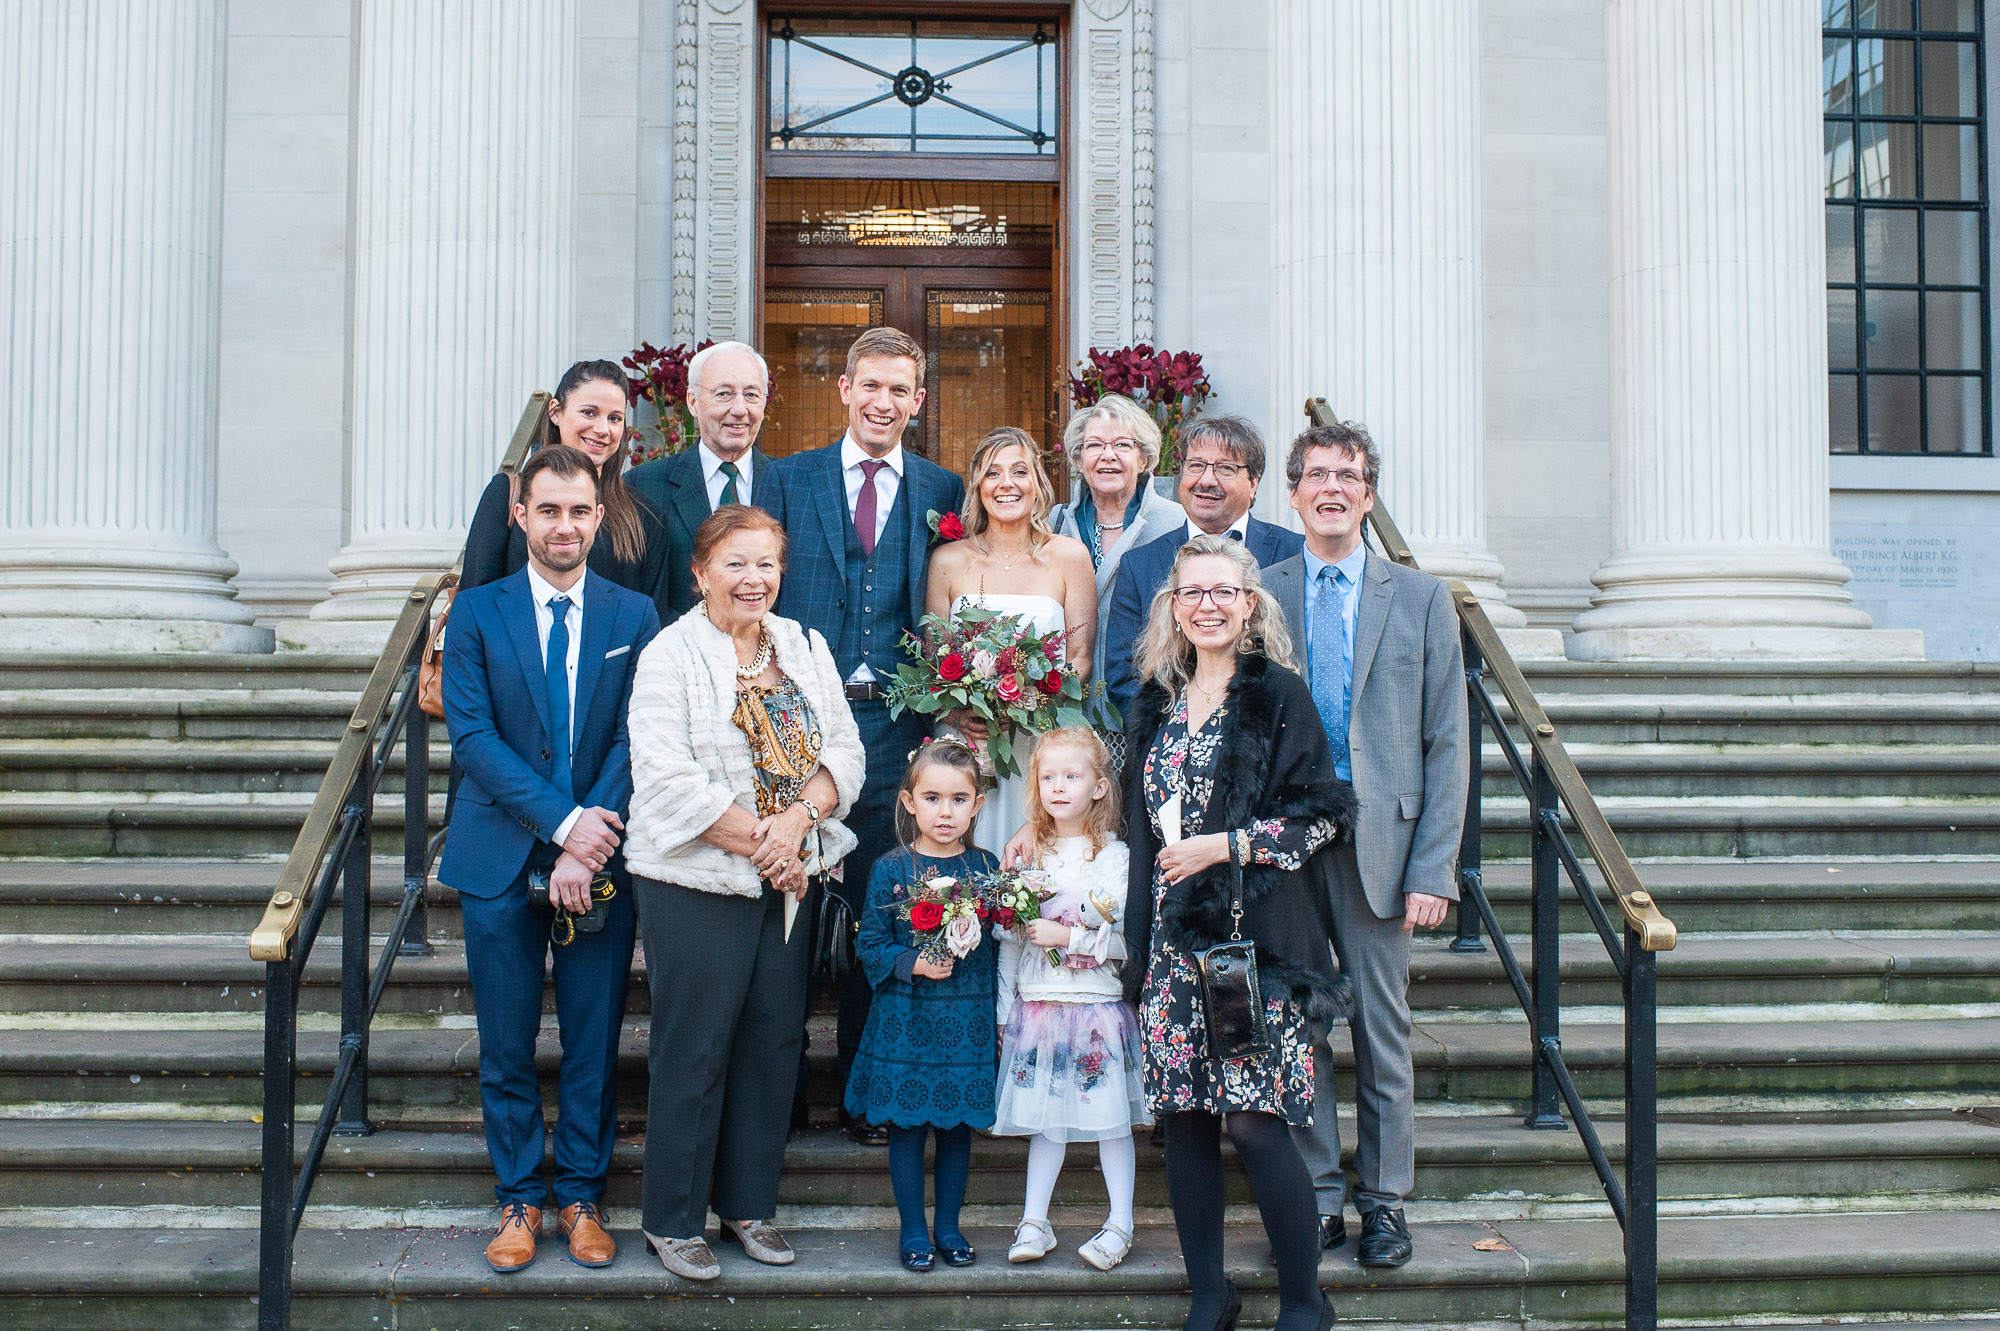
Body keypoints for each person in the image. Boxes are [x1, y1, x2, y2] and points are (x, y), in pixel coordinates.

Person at [622, 504, 867, 1280]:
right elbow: (665, 781)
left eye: (765, 563)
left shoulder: (804, 644)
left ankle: (748, 1206)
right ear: (700, 573)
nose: (753, 578)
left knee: (772, 1044)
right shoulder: (671, 653)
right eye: (735, 563)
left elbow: (847, 754)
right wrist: (772, 847)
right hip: (696, 882)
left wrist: (798, 822)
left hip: (790, 879)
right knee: (695, 1048)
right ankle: (672, 1218)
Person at [436, 443, 662, 1274]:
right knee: (505, 1041)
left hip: (599, 854)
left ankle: (581, 1194)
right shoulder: (477, 611)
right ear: (520, 515)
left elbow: (637, 734)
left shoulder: (633, 616)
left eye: (579, 511)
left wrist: (587, 835)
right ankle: (519, 1198)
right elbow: (474, 739)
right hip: (499, 852)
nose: (564, 526)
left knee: (593, 1039)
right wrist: (565, 823)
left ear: (600, 518)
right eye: (548, 510)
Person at [1122, 534, 1356, 1331]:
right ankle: (1209, 1295)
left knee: (1256, 1125)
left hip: (1248, 950)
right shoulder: (1154, 699)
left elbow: (1322, 817)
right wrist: (1137, 950)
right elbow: (1143, 838)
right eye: (1193, 593)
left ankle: (1304, 1299)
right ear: (1174, 607)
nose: (1208, 605)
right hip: (1170, 948)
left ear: (1249, 603)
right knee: (1184, 1123)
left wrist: (1227, 844)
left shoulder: (1278, 695)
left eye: (1224, 591)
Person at [1267, 421, 1469, 1270]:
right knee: (1302, 1022)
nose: (1332, 489)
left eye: (1348, 476)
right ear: (1294, 493)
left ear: (1369, 494)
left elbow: (1448, 741)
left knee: (1383, 1029)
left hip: (1382, 842)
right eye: (1317, 475)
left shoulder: (1421, 598)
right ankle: (1317, 1196)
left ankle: (1384, 1199)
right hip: (1288, 843)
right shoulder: (1260, 590)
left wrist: (1436, 867)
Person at [758, 326, 967, 1148]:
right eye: (869, 386)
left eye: (900, 390)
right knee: (791, 911)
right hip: (795, 732)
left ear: (918, 402)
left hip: (897, 731)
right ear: (844, 390)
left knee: (883, 909)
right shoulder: (787, 476)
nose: (883, 402)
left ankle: (863, 1092)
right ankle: (777, 1094)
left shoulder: (941, 486)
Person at [994, 727, 1148, 1273]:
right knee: (1046, 1122)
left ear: (1100, 787)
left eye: (1073, 776)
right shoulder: (1023, 855)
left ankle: (1120, 1222)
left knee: (1110, 1122)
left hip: (1095, 1008)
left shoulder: (1115, 857)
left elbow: (1128, 941)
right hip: (1039, 1006)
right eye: (1048, 776)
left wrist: (1071, 938)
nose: (1059, 787)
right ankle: (1035, 1219)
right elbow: (1011, 939)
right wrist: (1003, 1008)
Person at [845, 739, 999, 1272]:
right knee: (909, 1127)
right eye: (932, 798)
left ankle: (949, 1227)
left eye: (959, 799)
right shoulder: (891, 869)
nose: (945, 811)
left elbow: (998, 942)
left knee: (956, 1127)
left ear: (976, 805)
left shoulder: (986, 867)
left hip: (967, 1016)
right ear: (910, 802)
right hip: (907, 1019)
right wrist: (911, 961)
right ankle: (913, 1229)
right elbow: (869, 944)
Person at [923, 426, 1096, 860]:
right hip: (969, 742)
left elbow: (1080, 658)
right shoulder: (948, 560)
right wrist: (963, 712)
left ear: (1037, 482)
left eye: (1019, 471)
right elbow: (933, 659)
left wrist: (1027, 706)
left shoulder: (1069, 556)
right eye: (993, 473)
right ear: (978, 486)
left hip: (1043, 743)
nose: (1007, 484)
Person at [1100, 416, 1304, 722]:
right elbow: (1124, 678)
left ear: (1254, 483)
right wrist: (1185, 736)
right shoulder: (1139, 565)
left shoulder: (1295, 553)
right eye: (1196, 465)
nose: (1206, 480)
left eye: (1225, 468)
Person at [462, 359, 668, 609]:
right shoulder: (506, 495)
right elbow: (473, 603)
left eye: (615, 418)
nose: (603, 429)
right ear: (555, 412)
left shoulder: (645, 517)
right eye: (589, 413)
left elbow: (653, 622)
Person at [625, 340, 777, 623]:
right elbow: (638, 597)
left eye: (752, 395)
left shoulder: (789, 484)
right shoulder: (641, 487)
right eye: (724, 394)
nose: (740, 409)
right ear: (693, 403)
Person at [1049, 394, 1186, 694]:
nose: (1107, 455)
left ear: (1144, 458)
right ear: (1078, 458)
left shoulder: (1176, 523)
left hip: (1140, 707)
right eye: (1095, 445)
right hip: (1065, 711)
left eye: (1122, 444)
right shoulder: (1055, 524)